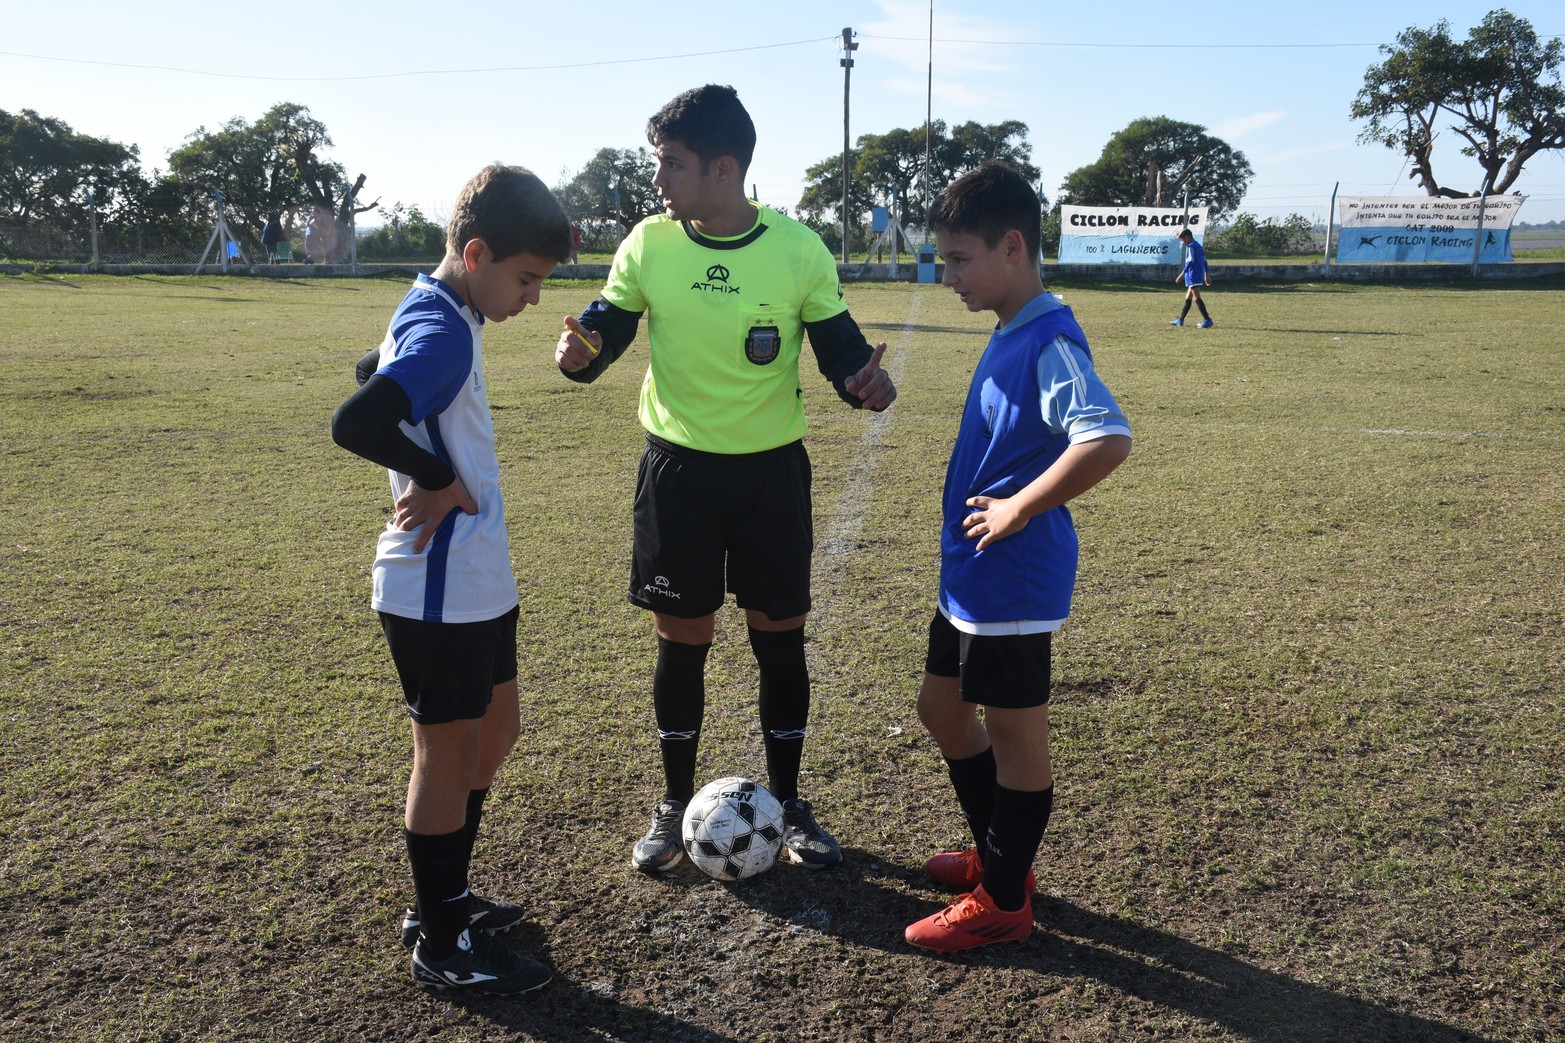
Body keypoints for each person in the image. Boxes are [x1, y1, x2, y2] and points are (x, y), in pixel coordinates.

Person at [554, 84, 896, 875]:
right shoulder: (648, 243)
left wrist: (864, 383)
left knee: (780, 645)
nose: (658, 179)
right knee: (683, 646)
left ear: (722, 167)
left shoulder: (798, 249)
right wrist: (580, 355)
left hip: (771, 476)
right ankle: (675, 803)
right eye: (657, 163)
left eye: (670, 164)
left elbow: (841, 350)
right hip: (677, 475)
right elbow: (602, 331)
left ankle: (790, 800)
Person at [331, 163, 572, 994]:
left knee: (495, 732)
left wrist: (429, 455)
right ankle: (442, 943)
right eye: (527, 279)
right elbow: (357, 418)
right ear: (475, 253)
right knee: (446, 754)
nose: (533, 298)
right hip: (435, 586)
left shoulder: (439, 310)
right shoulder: (444, 326)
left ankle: (447, 897)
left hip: (474, 578)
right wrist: (431, 477)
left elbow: (374, 368)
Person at [904, 160, 1132, 953]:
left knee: (1014, 738)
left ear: (1011, 246)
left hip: (1011, 577)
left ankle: (1003, 896)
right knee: (940, 712)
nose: (948, 276)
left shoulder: (1048, 338)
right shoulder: (1011, 327)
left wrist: (1017, 507)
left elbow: (1106, 437)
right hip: (971, 574)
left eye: (959, 259)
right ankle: (1003, 856)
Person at [1171, 227, 1213, 328]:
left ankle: (1207, 319)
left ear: (1187, 237)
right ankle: (1180, 320)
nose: (1182, 242)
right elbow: (1204, 261)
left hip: (1192, 275)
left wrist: (1181, 275)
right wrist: (1206, 275)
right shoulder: (1198, 246)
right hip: (1197, 274)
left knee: (1196, 297)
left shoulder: (1191, 247)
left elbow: (1190, 262)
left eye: (1182, 239)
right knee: (1188, 297)